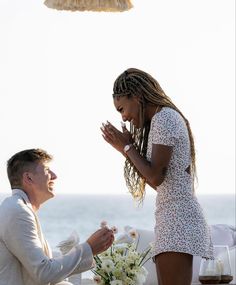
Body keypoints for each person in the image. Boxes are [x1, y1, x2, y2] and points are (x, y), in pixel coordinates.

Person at [101, 68, 213, 285]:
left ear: (137, 96)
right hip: (172, 218)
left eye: (122, 108)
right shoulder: (162, 120)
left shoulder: (165, 119)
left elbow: (155, 177)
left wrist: (126, 147)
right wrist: (128, 148)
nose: (123, 116)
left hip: (178, 220)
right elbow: (163, 184)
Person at [0, 148, 114, 285]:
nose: (54, 176)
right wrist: (88, 247)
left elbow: (47, 270)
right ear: (28, 178)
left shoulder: (19, 208)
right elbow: (44, 273)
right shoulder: (17, 211)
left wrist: (92, 250)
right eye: (47, 170)